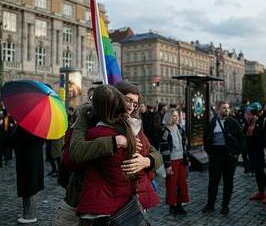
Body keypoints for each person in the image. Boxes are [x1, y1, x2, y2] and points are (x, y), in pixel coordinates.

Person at [52, 82, 162, 226]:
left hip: (120, 204)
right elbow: (69, 158)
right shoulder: (88, 124)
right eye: (128, 100)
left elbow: (155, 154)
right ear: (115, 98)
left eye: (135, 103)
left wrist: (147, 161)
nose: (131, 106)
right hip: (81, 197)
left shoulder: (133, 126)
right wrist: (113, 141)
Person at [202, 101, 244, 214]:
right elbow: (206, 138)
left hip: (229, 156)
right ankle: (210, 204)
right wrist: (209, 151)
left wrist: (236, 153)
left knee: (228, 181)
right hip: (215, 156)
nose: (226, 110)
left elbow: (241, 138)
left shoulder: (233, 122)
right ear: (218, 110)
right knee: (213, 181)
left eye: (227, 108)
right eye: (224, 108)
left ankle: (225, 205)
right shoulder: (213, 122)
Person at [160, 109, 189, 215]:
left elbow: (185, 145)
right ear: (168, 117)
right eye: (173, 116)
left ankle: (180, 204)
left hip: (181, 160)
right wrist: (167, 165)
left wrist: (187, 159)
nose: (175, 118)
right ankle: (172, 205)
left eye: (177, 116)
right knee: (171, 184)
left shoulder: (180, 129)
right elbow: (164, 149)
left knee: (182, 183)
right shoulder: (165, 131)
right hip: (172, 160)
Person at [14, 126, 44, 224]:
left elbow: (15, 139)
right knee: (30, 187)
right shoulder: (38, 127)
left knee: (29, 187)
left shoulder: (27, 128)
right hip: (32, 160)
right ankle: (28, 214)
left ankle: (30, 215)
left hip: (28, 160)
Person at [245, 102, 266, 202]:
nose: (252, 114)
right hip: (253, 150)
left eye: (254, 112)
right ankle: (261, 191)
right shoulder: (252, 120)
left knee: (262, 172)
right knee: (257, 172)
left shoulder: (265, 120)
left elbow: (263, 137)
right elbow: (247, 133)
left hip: (261, 151)